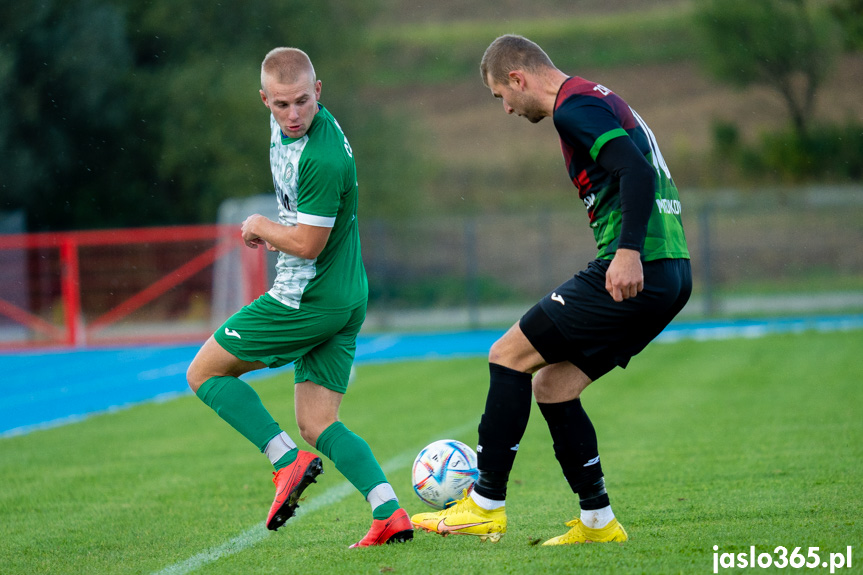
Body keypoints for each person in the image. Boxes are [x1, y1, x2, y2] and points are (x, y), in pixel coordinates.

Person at [411, 34, 692, 545]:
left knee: (508, 354)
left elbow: (634, 169)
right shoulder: (595, 96)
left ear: (518, 79)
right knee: (554, 386)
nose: (506, 109)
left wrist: (628, 251)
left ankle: (485, 503)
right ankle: (598, 523)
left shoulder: (572, 107)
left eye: (501, 96)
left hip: (641, 263)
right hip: (672, 272)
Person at [186, 47, 413, 548]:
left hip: (307, 298)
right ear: (264, 100)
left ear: (320, 94)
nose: (293, 116)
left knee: (202, 373)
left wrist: (260, 226)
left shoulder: (323, 157)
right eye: (281, 105)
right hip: (344, 295)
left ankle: (286, 461)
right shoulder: (285, 124)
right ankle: (389, 512)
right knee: (318, 422)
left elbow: (309, 244)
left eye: (303, 103)